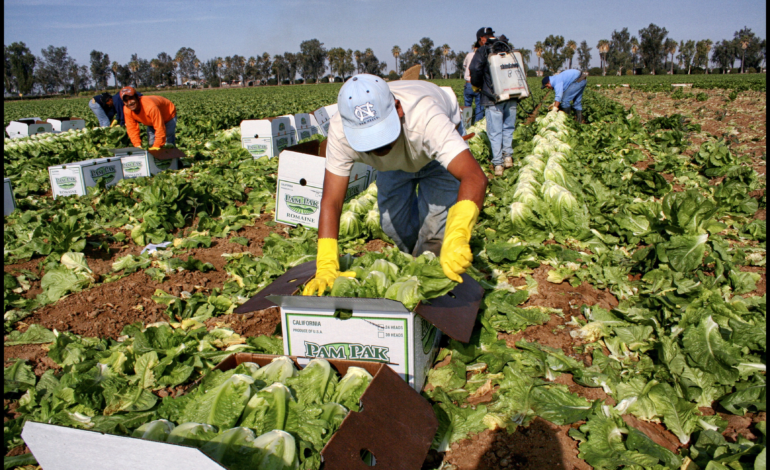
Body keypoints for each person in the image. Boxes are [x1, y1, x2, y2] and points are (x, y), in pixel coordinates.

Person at [302, 74, 488, 296]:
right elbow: (331, 200)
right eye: (367, 139)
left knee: (437, 235)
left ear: (398, 109)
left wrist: (458, 234)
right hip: (392, 164)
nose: (377, 144)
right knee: (392, 224)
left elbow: (474, 177)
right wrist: (325, 264)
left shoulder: (427, 118)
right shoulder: (341, 131)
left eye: (381, 133)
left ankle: (431, 281)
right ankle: (415, 261)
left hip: (433, 156)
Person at [469, 27, 518, 177]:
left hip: (492, 97)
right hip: (512, 94)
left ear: (481, 39)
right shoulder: (505, 47)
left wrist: (477, 85)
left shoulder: (483, 50)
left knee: (495, 131)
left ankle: (498, 164)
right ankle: (508, 157)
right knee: (508, 127)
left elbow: (475, 68)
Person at [462, 42, 484, 125]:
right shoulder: (482, 56)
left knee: (467, 106)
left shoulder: (469, 55)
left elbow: (464, 65)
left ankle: (466, 124)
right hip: (478, 84)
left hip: (468, 83)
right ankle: (477, 125)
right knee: (480, 105)